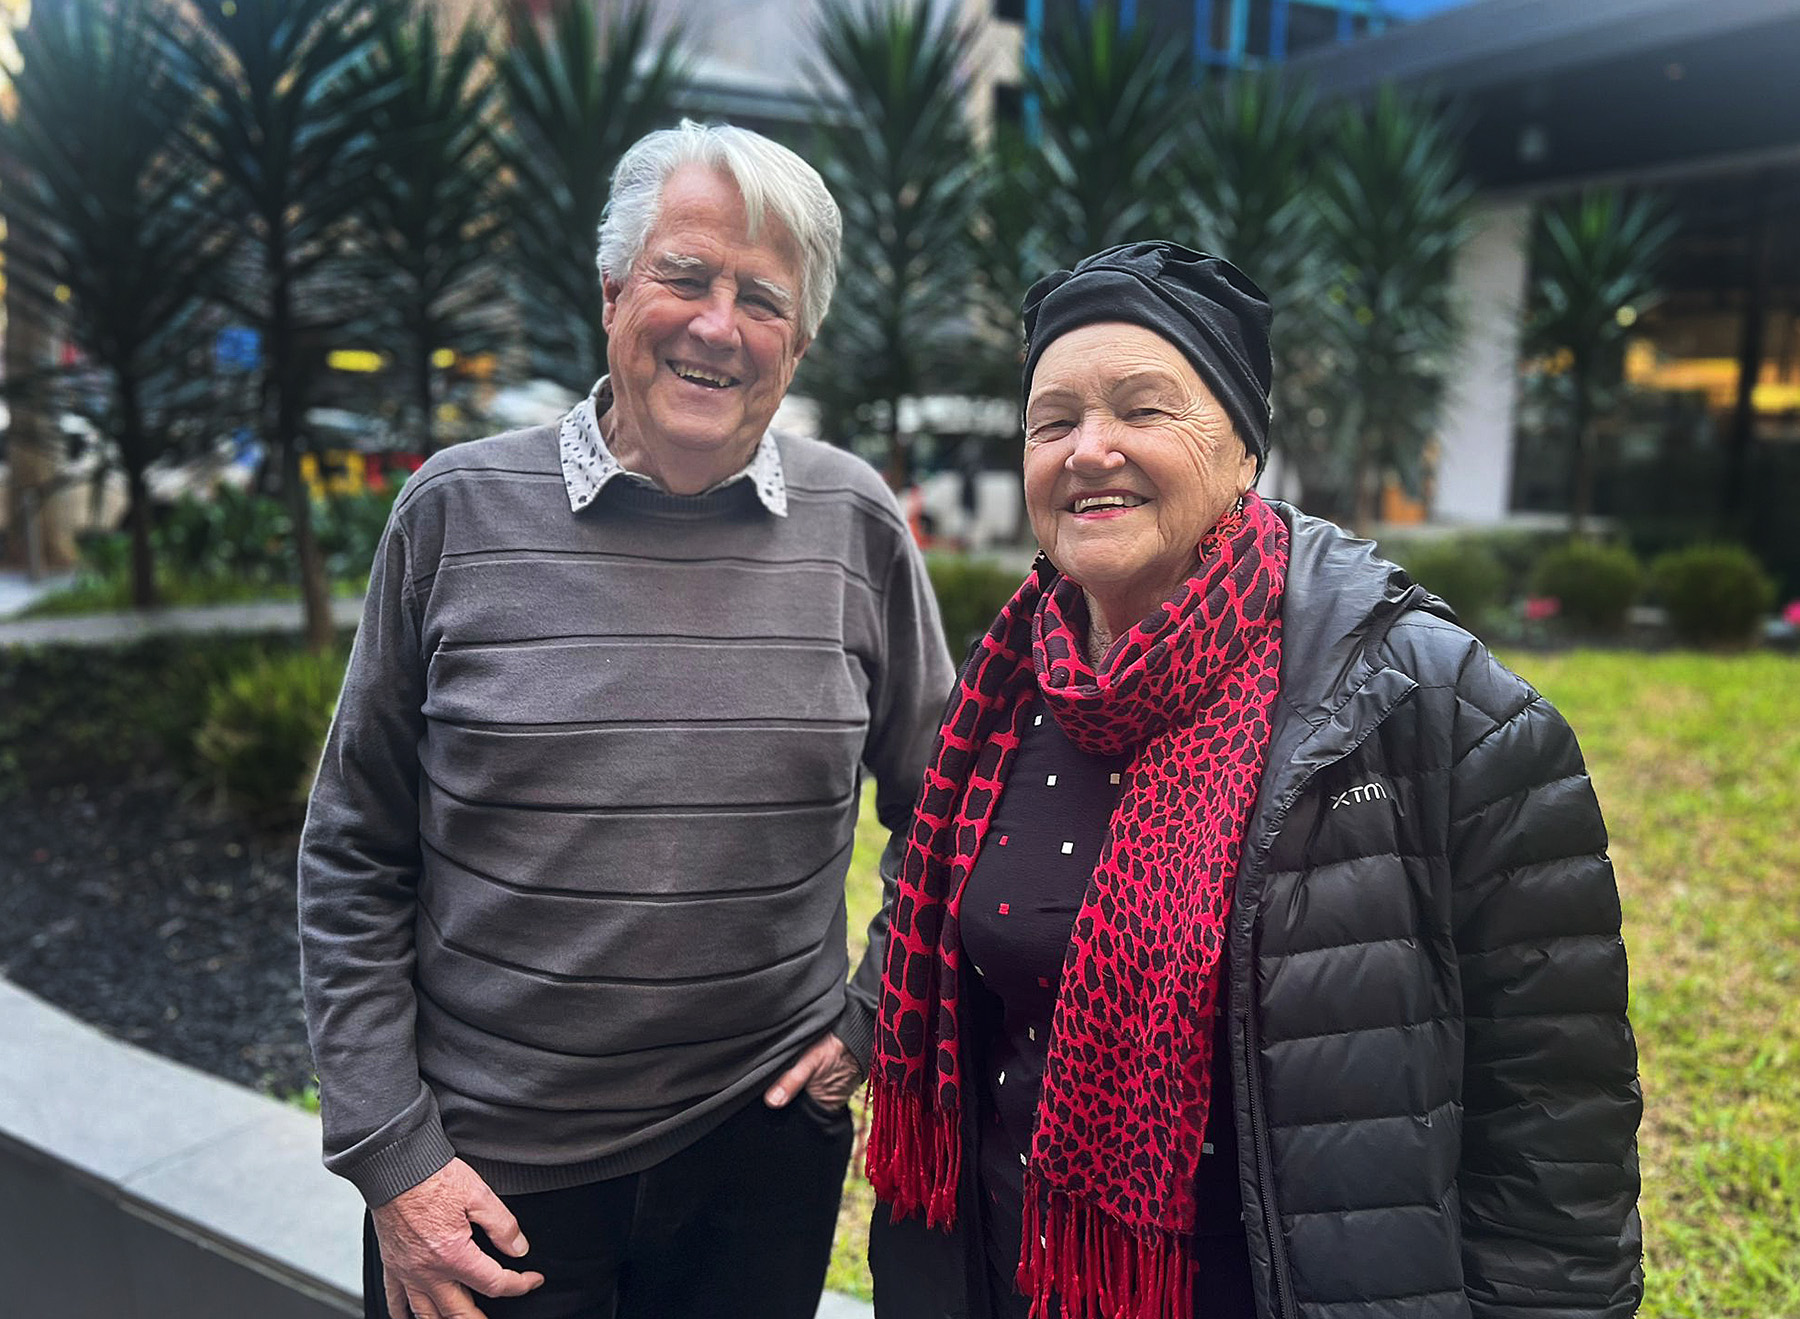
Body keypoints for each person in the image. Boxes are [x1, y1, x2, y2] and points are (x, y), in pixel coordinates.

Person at [864, 242, 1642, 1319]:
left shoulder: (1427, 704)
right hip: (1001, 1273)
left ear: (1243, 450)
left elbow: (1556, 1116)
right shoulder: (1001, 697)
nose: (1091, 450)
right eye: (1054, 420)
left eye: (1144, 408)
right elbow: (928, 927)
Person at [298, 120, 954, 1319]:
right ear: (612, 291)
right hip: (488, 1185)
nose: (718, 324)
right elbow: (351, 853)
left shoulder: (856, 524)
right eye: (685, 276)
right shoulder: (455, 511)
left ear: (797, 343)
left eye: (762, 297)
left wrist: (872, 1010)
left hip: (758, 1161)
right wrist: (393, 1158)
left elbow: (947, 811)